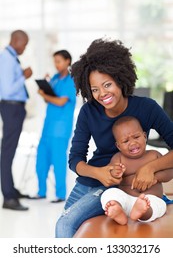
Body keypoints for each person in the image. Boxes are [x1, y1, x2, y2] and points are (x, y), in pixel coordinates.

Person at [55, 38, 173, 238]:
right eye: (94, 89)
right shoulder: (88, 112)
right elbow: (75, 159)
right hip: (93, 180)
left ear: (120, 78)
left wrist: (149, 168)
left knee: (66, 225)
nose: (102, 94)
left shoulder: (147, 108)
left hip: (124, 185)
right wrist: (99, 173)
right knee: (65, 227)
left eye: (107, 84)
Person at [101, 116, 173, 224]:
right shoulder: (118, 158)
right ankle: (117, 209)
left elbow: (169, 173)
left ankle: (143, 213)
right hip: (126, 200)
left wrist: (156, 177)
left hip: (150, 200)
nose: (132, 143)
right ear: (119, 146)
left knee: (160, 206)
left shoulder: (154, 155)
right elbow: (110, 175)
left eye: (136, 137)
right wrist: (116, 173)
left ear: (144, 136)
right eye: (125, 141)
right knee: (109, 193)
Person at [33, 50, 76, 203]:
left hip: (60, 129)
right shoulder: (56, 78)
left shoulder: (70, 80)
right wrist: (46, 86)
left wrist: (44, 94)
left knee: (58, 161)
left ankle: (60, 194)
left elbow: (60, 101)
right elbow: (49, 99)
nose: (56, 64)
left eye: (59, 61)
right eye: (55, 61)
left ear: (67, 61)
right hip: (48, 127)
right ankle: (41, 192)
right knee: (41, 160)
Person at [0, 30, 33, 211]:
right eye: (24, 44)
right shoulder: (6, 58)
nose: (25, 48)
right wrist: (23, 77)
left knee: (9, 151)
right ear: (16, 40)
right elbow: (7, 90)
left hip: (15, 108)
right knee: (7, 152)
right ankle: (8, 198)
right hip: (11, 106)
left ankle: (10, 190)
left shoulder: (10, 58)